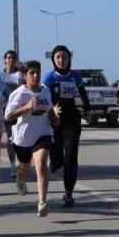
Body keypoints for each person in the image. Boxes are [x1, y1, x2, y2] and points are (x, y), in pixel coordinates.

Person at [5, 60, 56, 217]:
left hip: (43, 133)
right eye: (31, 73)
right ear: (24, 75)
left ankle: (42, 202)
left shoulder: (45, 90)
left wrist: (55, 117)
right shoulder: (19, 93)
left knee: (41, 163)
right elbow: (8, 116)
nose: (35, 76)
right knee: (24, 167)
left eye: (37, 72)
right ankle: (20, 180)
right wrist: (27, 107)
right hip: (23, 138)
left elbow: (49, 109)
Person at [43, 45, 90, 207]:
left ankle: (68, 192)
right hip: (55, 119)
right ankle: (54, 162)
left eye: (64, 57)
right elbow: (44, 98)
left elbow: (83, 95)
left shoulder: (75, 77)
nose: (61, 60)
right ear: (53, 59)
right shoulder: (49, 77)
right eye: (58, 57)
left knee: (71, 157)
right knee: (58, 159)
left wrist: (87, 110)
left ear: (69, 59)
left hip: (72, 119)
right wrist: (51, 112)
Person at [0, 49, 23, 179]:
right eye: (8, 57)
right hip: (6, 109)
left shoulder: (20, 75)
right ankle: (13, 166)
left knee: (21, 137)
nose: (11, 60)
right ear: (4, 60)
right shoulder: (0, 76)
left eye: (13, 57)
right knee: (10, 138)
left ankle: (21, 163)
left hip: (21, 109)